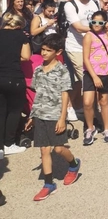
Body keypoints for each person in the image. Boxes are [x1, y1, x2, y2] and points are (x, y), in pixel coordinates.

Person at [26, 34, 82, 201]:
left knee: (58, 149)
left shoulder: (62, 70)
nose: (44, 53)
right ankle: (49, 184)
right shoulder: (38, 70)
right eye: (43, 49)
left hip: (55, 114)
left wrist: (62, 118)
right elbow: (37, 94)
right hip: (40, 114)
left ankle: (73, 164)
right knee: (44, 149)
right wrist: (32, 116)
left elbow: (65, 95)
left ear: (58, 52)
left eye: (48, 50)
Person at [62, 0, 99, 118]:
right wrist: (98, 28)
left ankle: (74, 105)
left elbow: (99, 20)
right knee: (87, 80)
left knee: (79, 81)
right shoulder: (70, 5)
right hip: (76, 48)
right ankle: (92, 114)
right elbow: (77, 27)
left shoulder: (95, 3)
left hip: (93, 47)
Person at [81, 11, 108, 146]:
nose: (97, 24)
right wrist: (94, 76)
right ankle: (90, 128)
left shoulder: (105, 34)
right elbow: (85, 58)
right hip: (91, 73)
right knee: (87, 102)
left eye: (100, 22)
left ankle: (107, 129)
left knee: (104, 101)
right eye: (94, 22)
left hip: (105, 71)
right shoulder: (88, 36)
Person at [0, 13, 31, 156]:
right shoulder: (21, 36)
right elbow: (26, 56)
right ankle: (9, 143)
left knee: (1, 112)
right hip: (14, 76)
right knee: (14, 112)